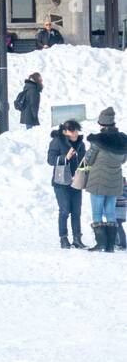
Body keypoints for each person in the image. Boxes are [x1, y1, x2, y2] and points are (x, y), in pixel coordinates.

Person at [84, 107, 126, 253]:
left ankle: (101, 243)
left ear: (102, 124)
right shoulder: (123, 140)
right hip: (115, 181)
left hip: (98, 181)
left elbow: (88, 160)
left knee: (97, 212)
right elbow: (123, 160)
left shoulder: (98, 140)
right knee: (111, 213)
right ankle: (110, 246)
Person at [47, 120, 87, 249]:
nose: (75, 133)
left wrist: (82, 171)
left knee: (77, 211)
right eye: (72, 130)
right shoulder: (57, 141)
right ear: (65, 131)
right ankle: (63, 238)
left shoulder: (81, 144)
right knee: (64, 210)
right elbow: (50, 160)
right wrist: (65, 157)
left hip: (76, 180)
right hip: (61, 182)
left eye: (76, 130)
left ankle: (77, 238)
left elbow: (84, 161)